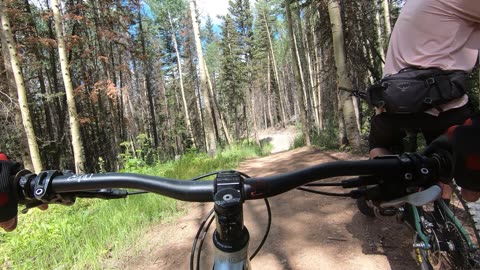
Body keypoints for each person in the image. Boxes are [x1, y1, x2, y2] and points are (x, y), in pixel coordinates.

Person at [368, 0, 480, 201]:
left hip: (393, 104)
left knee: (380, 141)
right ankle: (445, 211)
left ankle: (389, 187)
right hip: (445, 104)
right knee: (448, 159)